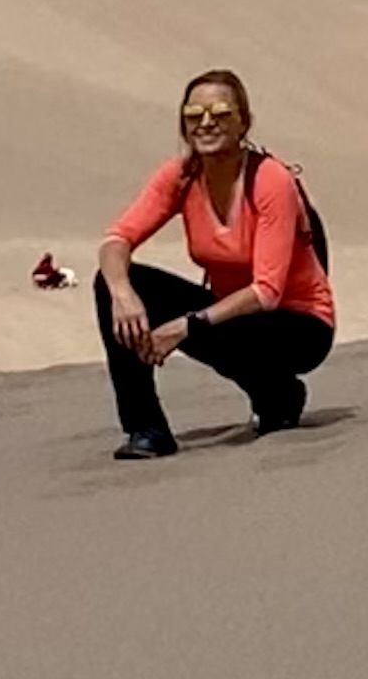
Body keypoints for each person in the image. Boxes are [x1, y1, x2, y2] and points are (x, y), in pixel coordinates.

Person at [94, 69, 335, 459]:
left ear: (244, 122)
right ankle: (146, 427)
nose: (206, 123)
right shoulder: (181, 176)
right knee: (112, 283)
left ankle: (276, 391)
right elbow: (117, 239)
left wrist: (186, 326)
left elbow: (267, 292)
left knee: (216, 326)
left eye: (220, 113)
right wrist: (122, 293)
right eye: (194, 115)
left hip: (299, 325)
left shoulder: (270, 179)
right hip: (229, 319)